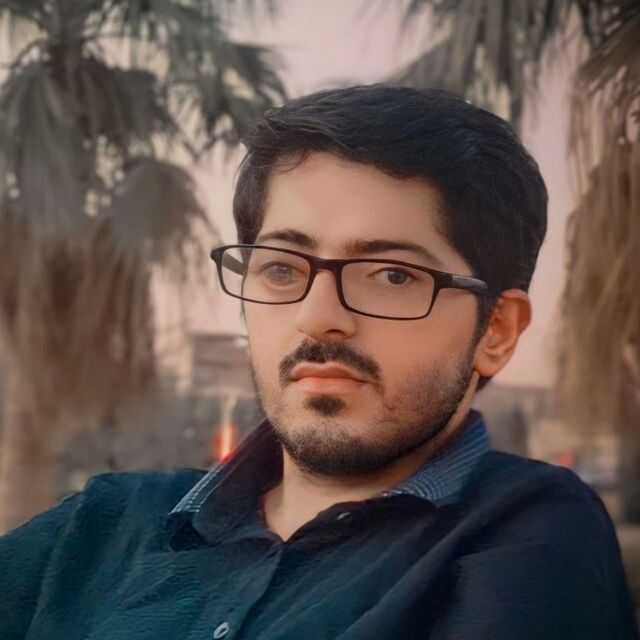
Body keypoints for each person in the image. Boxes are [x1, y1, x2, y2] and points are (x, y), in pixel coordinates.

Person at [0, 85, 637, 640]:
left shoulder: (528, 531)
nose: (316, 316)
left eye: (392, 275)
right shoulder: (102, 524)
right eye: (281, 269)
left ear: (495, 330)